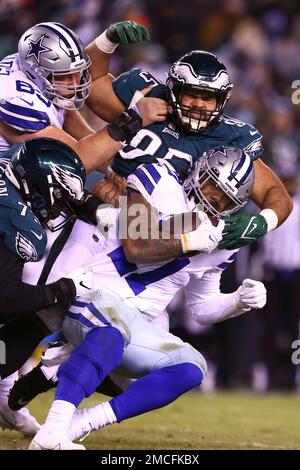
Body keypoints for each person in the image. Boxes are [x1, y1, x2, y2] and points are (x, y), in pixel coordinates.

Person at [27, 146, 266, 450]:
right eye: (211, 186)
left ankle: (80, 424)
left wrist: (237, 302)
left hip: (138, 321)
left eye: (225, 200)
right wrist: (189, 240)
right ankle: (53, 428)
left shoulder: (225, 241)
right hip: (94, 292)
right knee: (113, 333)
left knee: (192, 368)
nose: (213, 200)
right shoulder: (159, 179)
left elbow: (200, 307)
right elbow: (136, 247)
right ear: (197, 173)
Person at [86, 49, 292, 248]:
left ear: (221, 100)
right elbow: (91, 87)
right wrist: (107, 42)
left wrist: (263, 222)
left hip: (167, 243)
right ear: (174, 90)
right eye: (192, 95)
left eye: (208, 98)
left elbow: (276, 194)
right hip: (105, 219)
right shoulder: (148, 99)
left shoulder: (232, 138)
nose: (199, 104)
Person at [0, 137, 98, 435]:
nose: (57, 207)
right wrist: (62, 290)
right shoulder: (17, 221)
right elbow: (8, 300)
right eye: (57, 196)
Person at [0, 21, 153, 172]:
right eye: (64, 76)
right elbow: (76, 162)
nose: (74, 84)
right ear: (36, 73)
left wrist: (121, 170)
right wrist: (131, 119)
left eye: (77, 73)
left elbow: (75, 127)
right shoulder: (15, 99)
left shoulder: (28, 66)